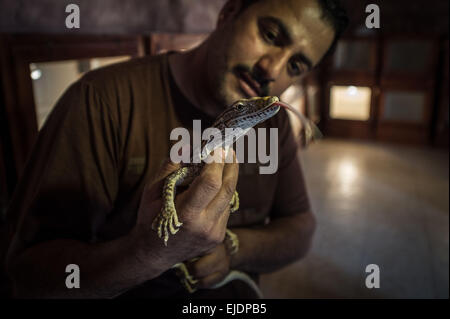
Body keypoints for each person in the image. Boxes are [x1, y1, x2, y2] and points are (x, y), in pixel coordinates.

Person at [3, 0, 347, 298]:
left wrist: (231, 249)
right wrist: (147, 253)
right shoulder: (99, 99)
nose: (270, 70)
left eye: (295, 66)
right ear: (228, 12)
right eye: (270, 35)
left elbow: (301, 228)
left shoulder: (272, 122)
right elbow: (26, 278)